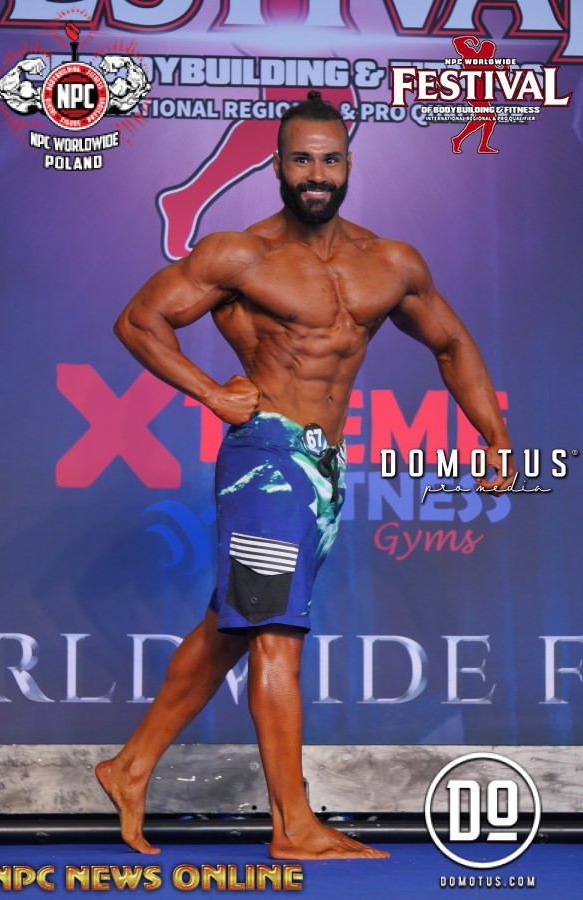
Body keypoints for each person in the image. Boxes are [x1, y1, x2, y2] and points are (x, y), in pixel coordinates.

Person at [96, 91, 513, 858]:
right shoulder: (240, 255)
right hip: (267, 462)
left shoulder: (390, 262)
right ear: (277, 166)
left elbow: (451, 342)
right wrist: (212, 392)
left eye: (329, 159)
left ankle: (130, 768)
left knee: (235, 627)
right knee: (276, 635)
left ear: (348, 164)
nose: (316, 174)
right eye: (301, 160)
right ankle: (293, 826)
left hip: (322, 468)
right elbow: (138, 320)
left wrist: (494, 435)